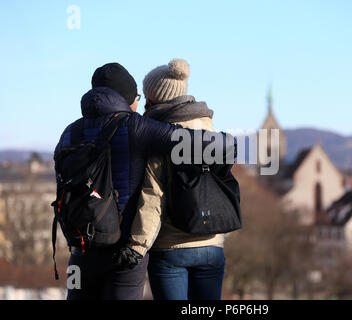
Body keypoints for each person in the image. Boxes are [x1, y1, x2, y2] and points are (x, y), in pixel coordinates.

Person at [55, 62, 231, 300]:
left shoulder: (69, 132)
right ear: (128, 98)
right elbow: (200, 144)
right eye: (137, 96)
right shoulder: (136, 127)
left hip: (81, 249)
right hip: (124, 253)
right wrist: (227, 143)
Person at [127, 59, 226, 300]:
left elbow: (152, 197)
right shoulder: (211, 133)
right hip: (212, 245)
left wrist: (136, 248)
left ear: (156, 99)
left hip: (171, 248)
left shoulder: (161, 138)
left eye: (147, 98)